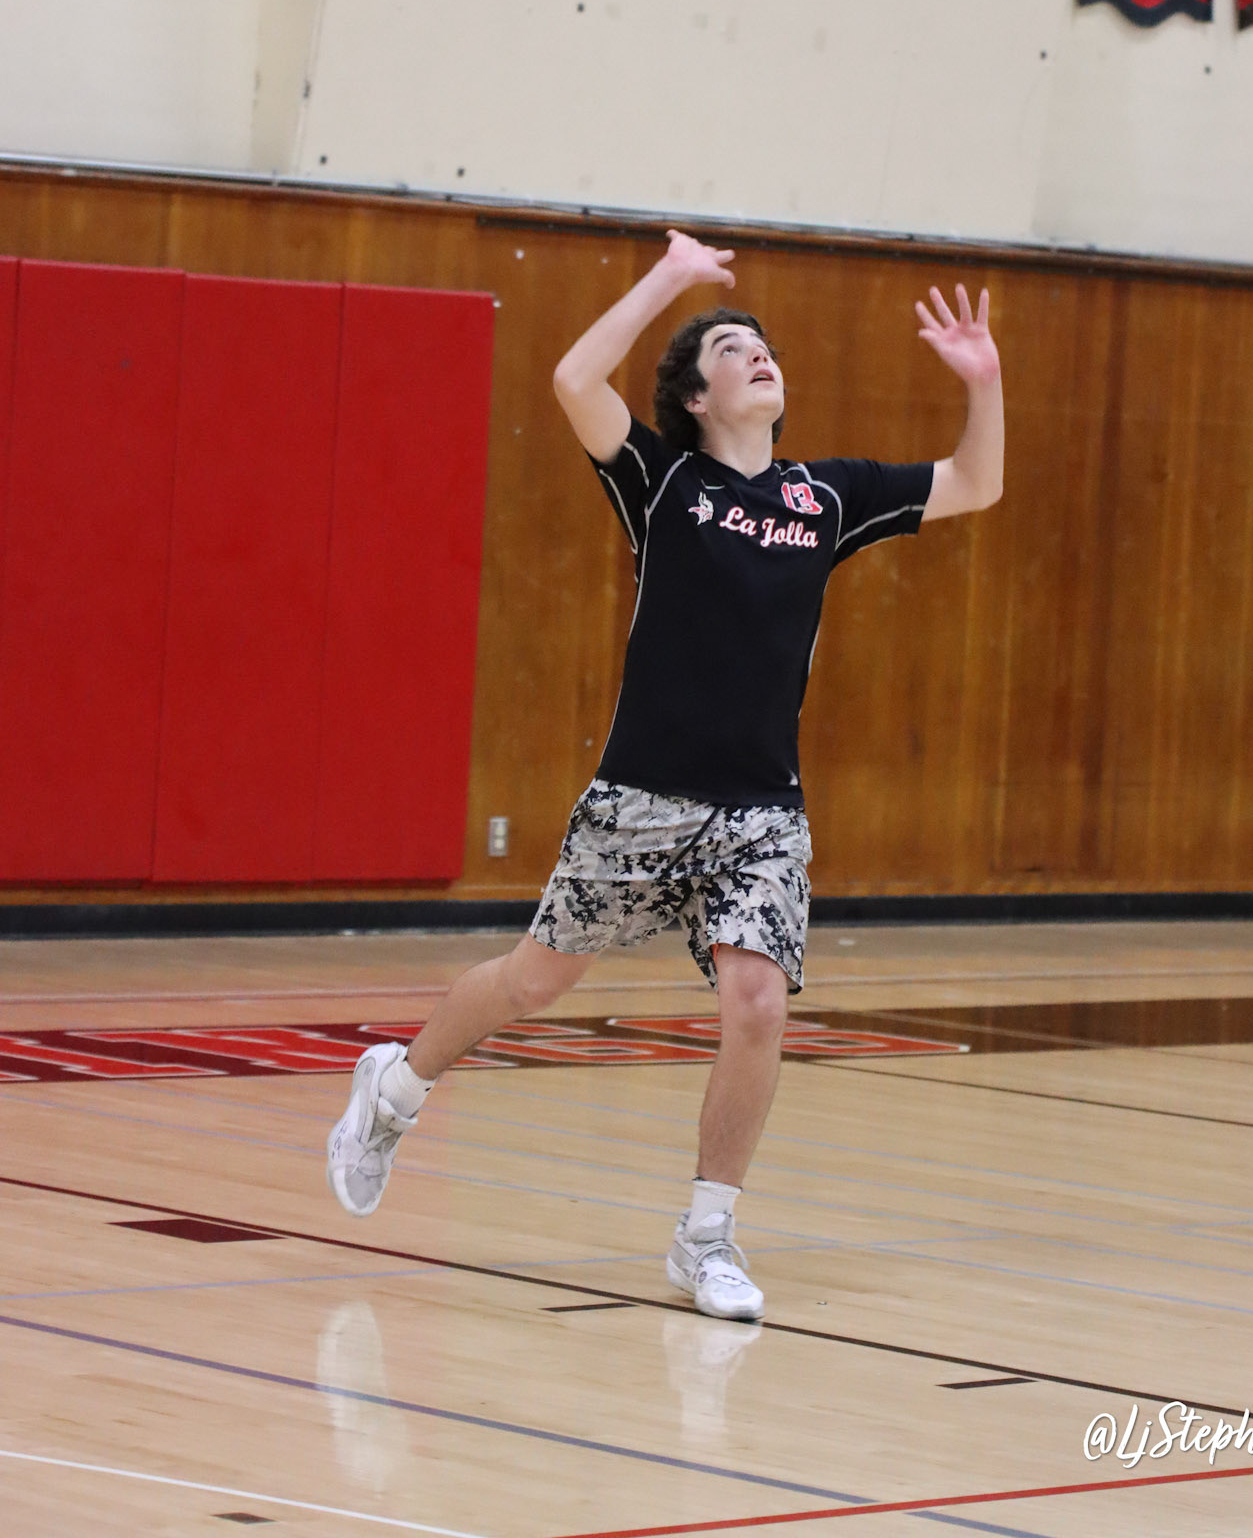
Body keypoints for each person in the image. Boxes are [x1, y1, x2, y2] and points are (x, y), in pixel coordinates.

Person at [327, 228, 1004, 1321]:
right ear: (696, 395)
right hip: (639, 803)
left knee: (757, 999)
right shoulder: (663, 480)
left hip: (762, 812)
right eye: (732, 348)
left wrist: (983, 382)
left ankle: (707, 1236)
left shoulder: (825, 499)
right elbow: (573, 378)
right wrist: (675, 279)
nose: (758, 354)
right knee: (533, 985)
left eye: (762, 344)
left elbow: (976, 481)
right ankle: (395, 1091)